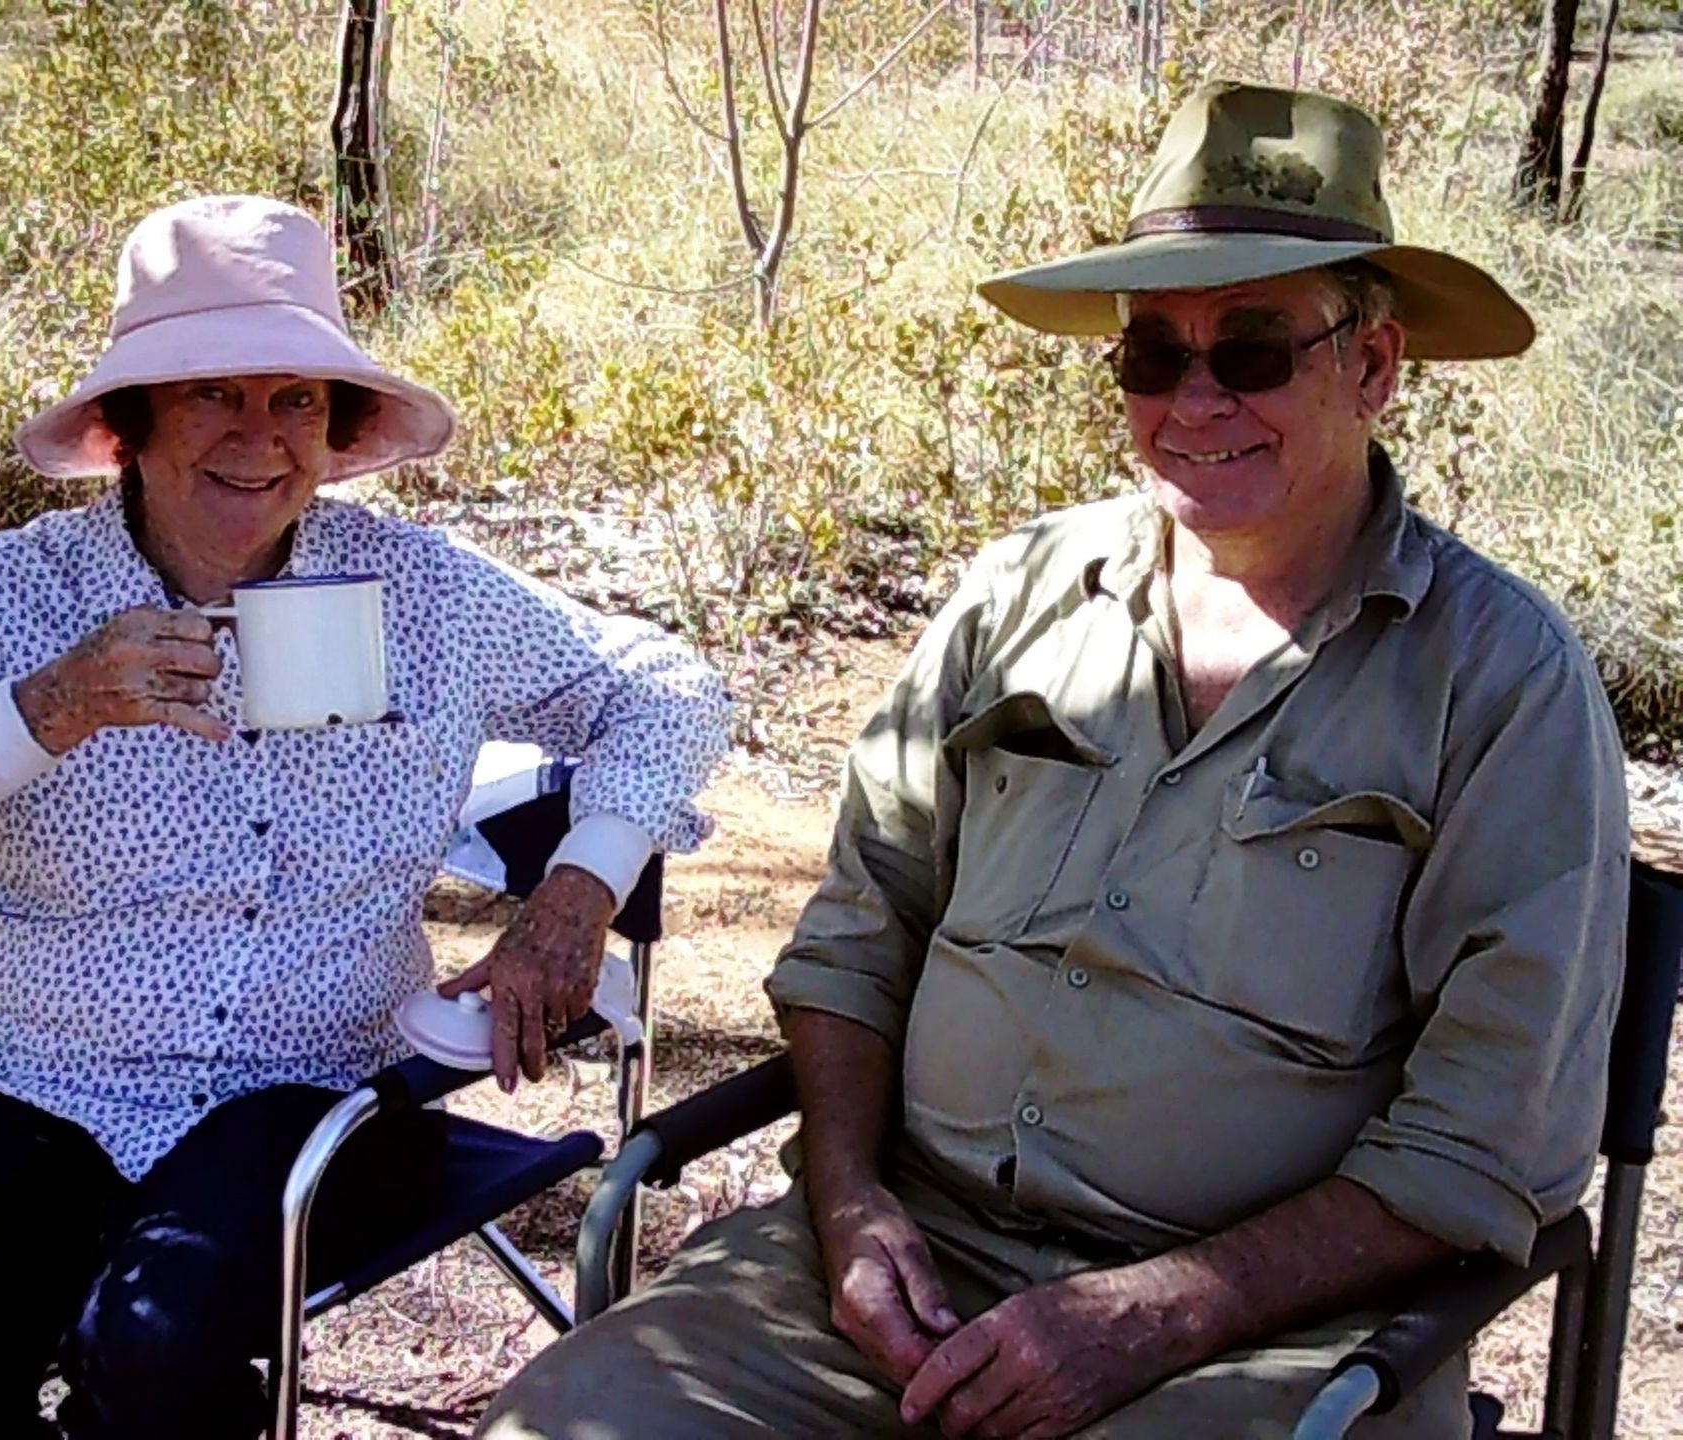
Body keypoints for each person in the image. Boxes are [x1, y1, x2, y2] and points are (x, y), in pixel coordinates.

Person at [478, 82, 1629, 1439]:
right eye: (1152, 355)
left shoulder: (1502, 683)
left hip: (1259, 1338)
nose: (1195, 401)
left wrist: (1163, 1309)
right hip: (892, 1267)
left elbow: (1488, 1138)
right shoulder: (1018, 593)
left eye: (1253, 349)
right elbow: (859, 934)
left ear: (1372, 367)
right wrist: (848, 1207)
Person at [0, 193, 729, 1439]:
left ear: (337, 433)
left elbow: (666, 690)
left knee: (160, 1368)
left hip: (302, 1074)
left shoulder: (418, 591)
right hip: (13, 1063)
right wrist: (42, 711)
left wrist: (576, 891)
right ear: (130, 423)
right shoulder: (10, 596)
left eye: (296, 401)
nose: (258, 438)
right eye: (213, 392)